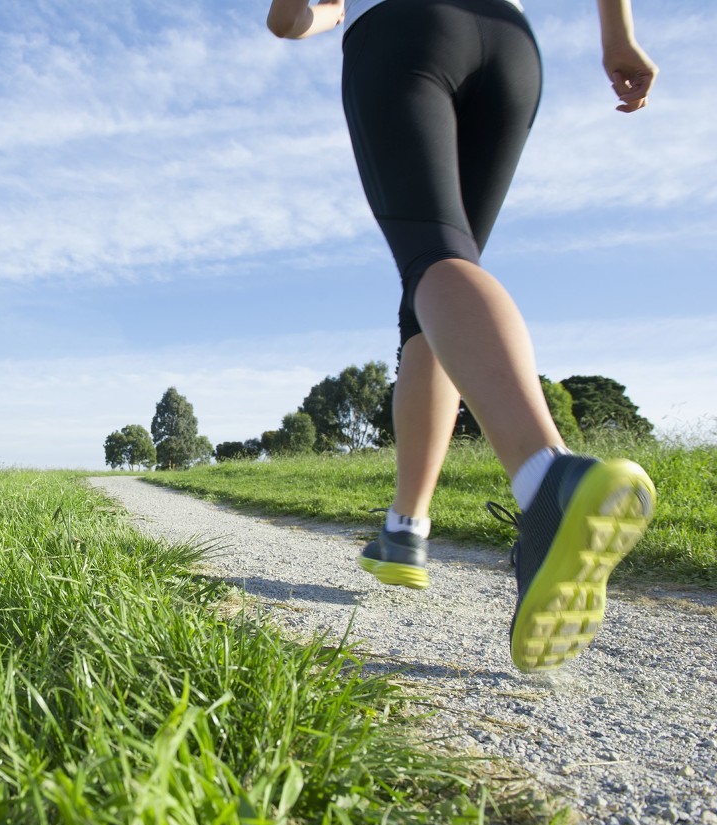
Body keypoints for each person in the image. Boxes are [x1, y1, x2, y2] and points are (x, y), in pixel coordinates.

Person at [266, 0, 659, 672]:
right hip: (510, 47)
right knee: (434, 290)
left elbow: (293, 15)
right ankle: (405, 529)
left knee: (434, 260)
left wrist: (309, 18)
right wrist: (618, 36)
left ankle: (549, 478)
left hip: (408, 31)